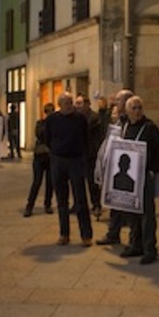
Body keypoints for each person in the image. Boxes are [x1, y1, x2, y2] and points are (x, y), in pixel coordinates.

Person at [118, 95, 159, 264]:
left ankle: (149, 249)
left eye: (139, 108)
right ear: (127, 110)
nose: (137, 111)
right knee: (131, 212)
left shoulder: (150, 128)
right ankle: (134, 244)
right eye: (134, 108)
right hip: (129, 178)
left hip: (144, 177)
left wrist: (153, 170)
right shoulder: (124, 127)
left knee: (147, 214)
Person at [43, 92, 93, 246]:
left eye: (71, 102)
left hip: (76, 160)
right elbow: (47, 138)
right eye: (67, 102)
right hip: (58, 160)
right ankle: (64, 234)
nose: (70, 105)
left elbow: (86, 138)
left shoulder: (80, 119)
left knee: (80, 198)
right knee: (61, 200)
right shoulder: (52, 119)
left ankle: (86, 235)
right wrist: (56, 151)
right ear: (60, 104)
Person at [96, 89, 134, 246]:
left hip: (130, 170)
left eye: (119, 101)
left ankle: (135, 239)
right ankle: (113, 233)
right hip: (115, 169)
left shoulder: (132, 122)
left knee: (131, 208)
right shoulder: (118, 122)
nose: (116, 104)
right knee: (114, 204)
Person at [75, 94, 104, 217]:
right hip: (79, 154)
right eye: (76, 103)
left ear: (87, 104)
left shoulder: (93, 118)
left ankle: (96, 204)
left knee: (93, 183)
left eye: (79, 103)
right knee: (77, 181)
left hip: (91, 154)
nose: (77, 106)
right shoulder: (76, 118)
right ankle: (79, 204)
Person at [25, 103, 54, 216]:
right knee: (37, 181)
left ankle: (48, 204)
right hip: (40, 156)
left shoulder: (55, 125)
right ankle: (30, 205)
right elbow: (40, 135)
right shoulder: (40, 123)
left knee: (50, 182)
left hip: (51, 156)